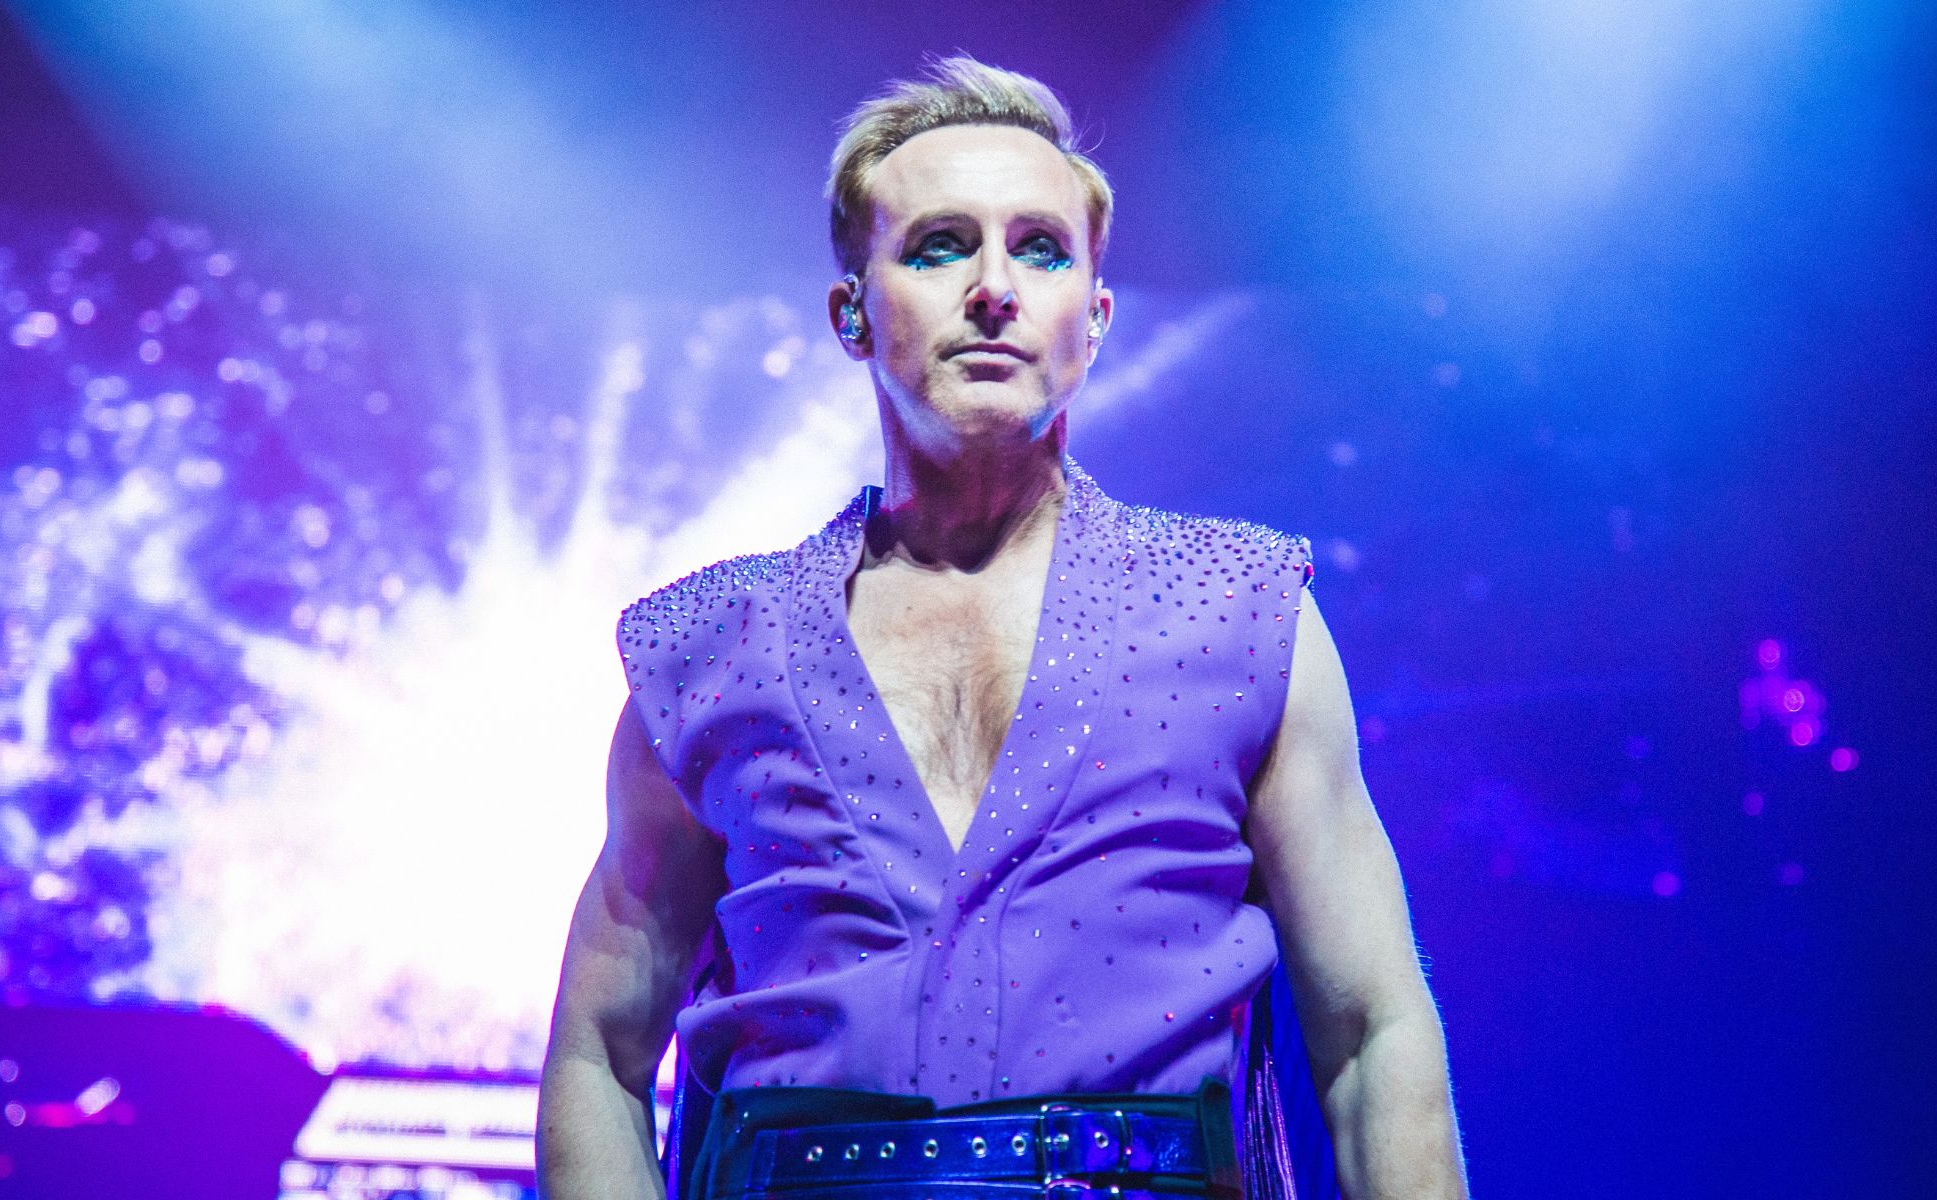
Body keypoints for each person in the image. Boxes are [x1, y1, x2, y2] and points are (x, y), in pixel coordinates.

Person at [537, 56, 1467, 1200]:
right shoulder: (706, 648)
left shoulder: (1243, 612)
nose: (992, 287)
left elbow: (1372, 1026)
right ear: (851, 313)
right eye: (937, 247)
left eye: (1040, 248)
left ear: (1096, 318)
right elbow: (599, 1048)